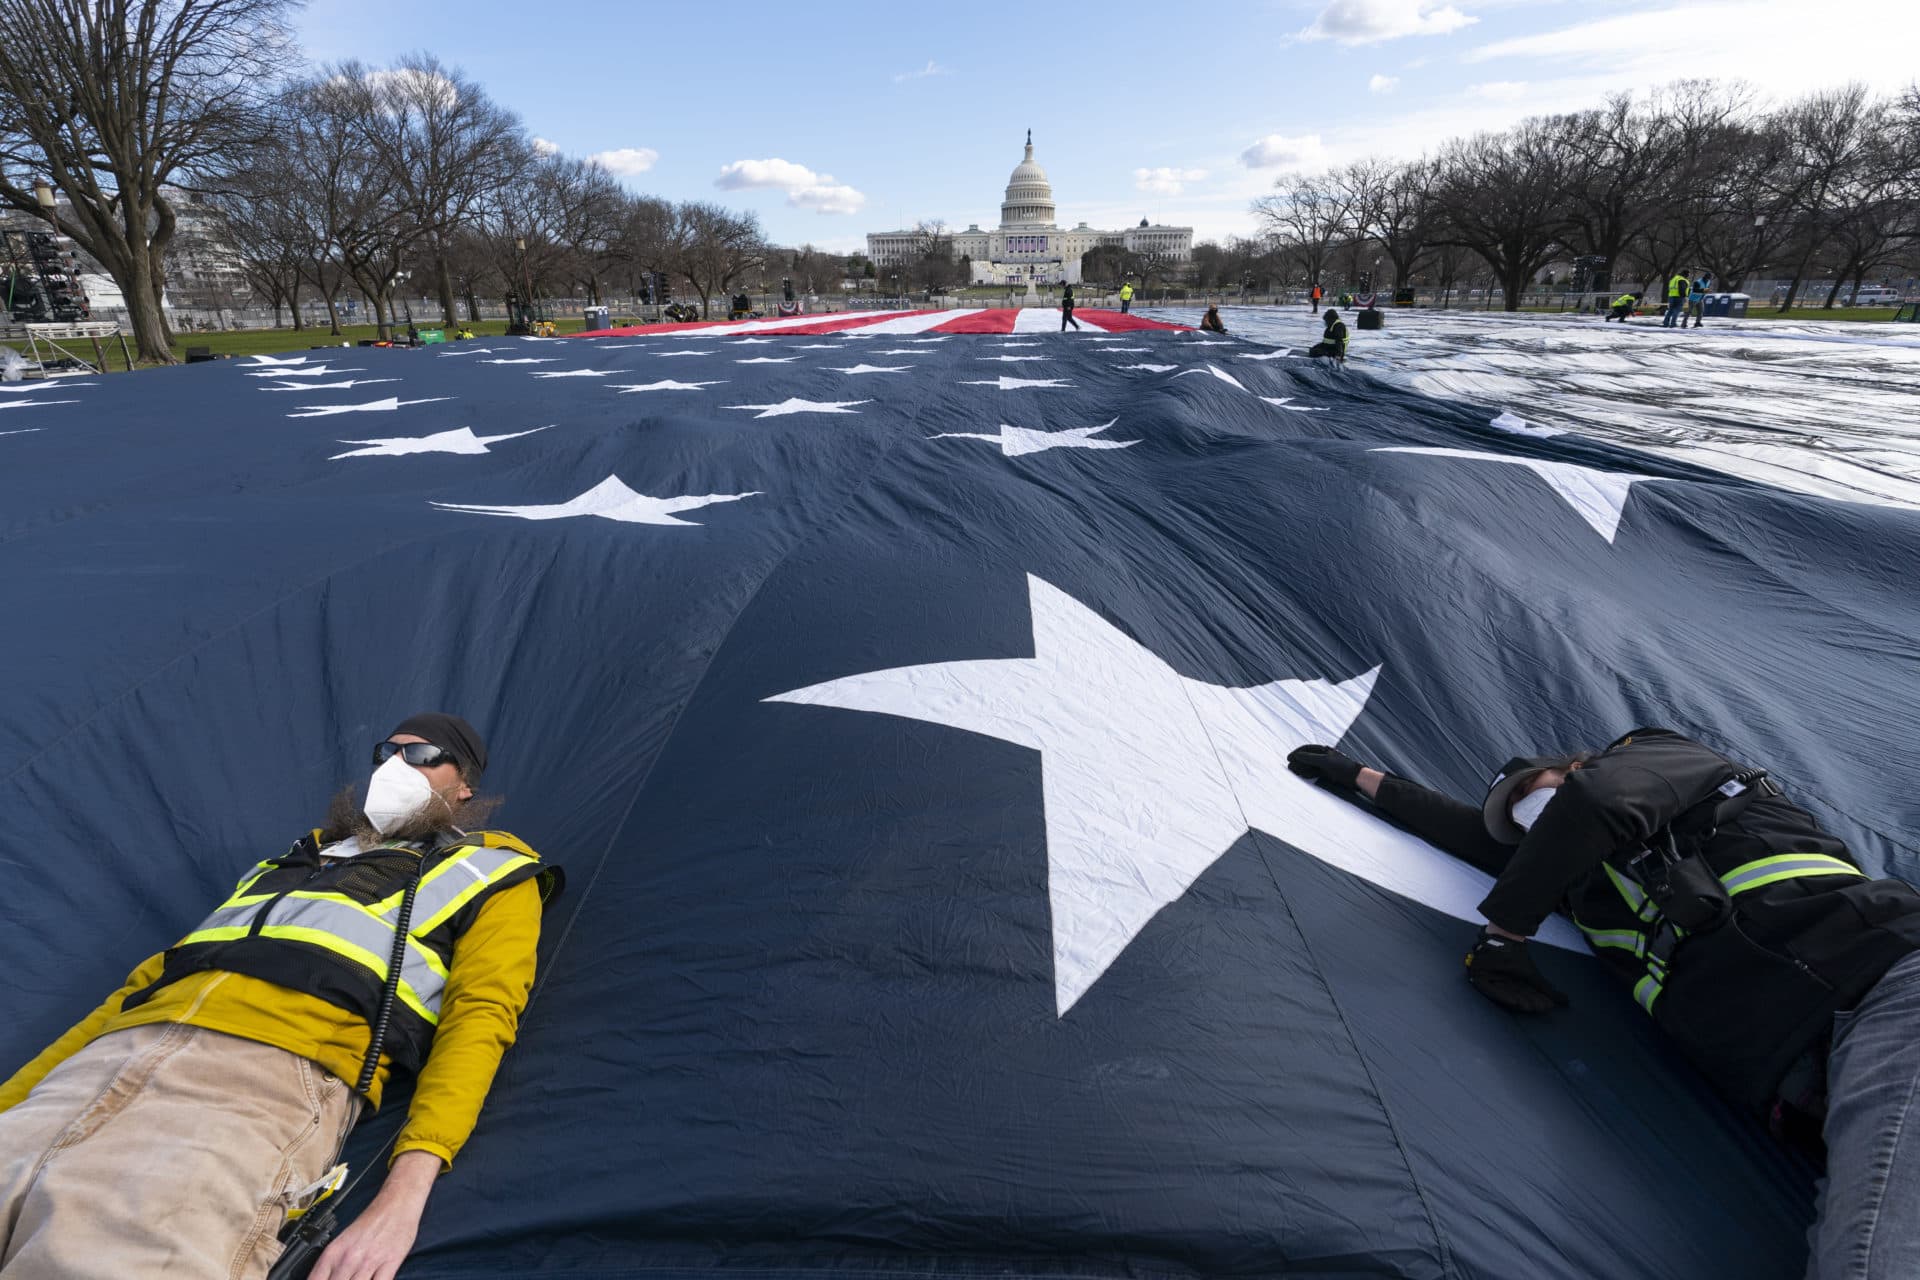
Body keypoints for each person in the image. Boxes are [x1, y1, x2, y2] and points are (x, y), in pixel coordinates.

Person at [1285, 728, 1920, 1276]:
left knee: (1868, 1257)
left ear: (1575, 766)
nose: (1532, 817)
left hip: (1884, 988)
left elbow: (1598, 802)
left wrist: (1503, 936)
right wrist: (1360, 778)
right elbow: (1480, 842)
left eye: (1535, 794)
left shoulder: (1665, 762)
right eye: (1520, 824)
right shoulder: (1586, 889)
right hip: (1813, 1080)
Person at [0, 714, 562, 1279]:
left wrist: (401, 1200)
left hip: (256, 1088)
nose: (395, 766)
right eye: (386, 752)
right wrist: (13, 1101)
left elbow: (480, 1018)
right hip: (98, 1066)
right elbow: (138, 986)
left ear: (464, 784)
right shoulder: (290, 861)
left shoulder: (493, 870)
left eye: (421, 756)